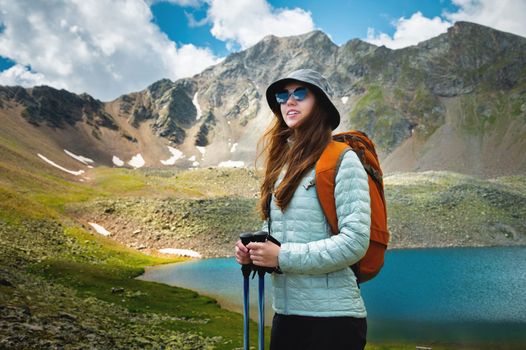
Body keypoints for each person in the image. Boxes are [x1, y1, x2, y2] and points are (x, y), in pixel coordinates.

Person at [235, 68, 371, 350]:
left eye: (300, 93)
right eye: (282, 95)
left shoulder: (342, 160)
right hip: (287, 316)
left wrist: (281, 257)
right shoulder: (283, 165)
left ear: (320, 103)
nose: (289, 101)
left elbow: (355, 242)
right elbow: (284, 230)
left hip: (333, 322)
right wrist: (256, 250)